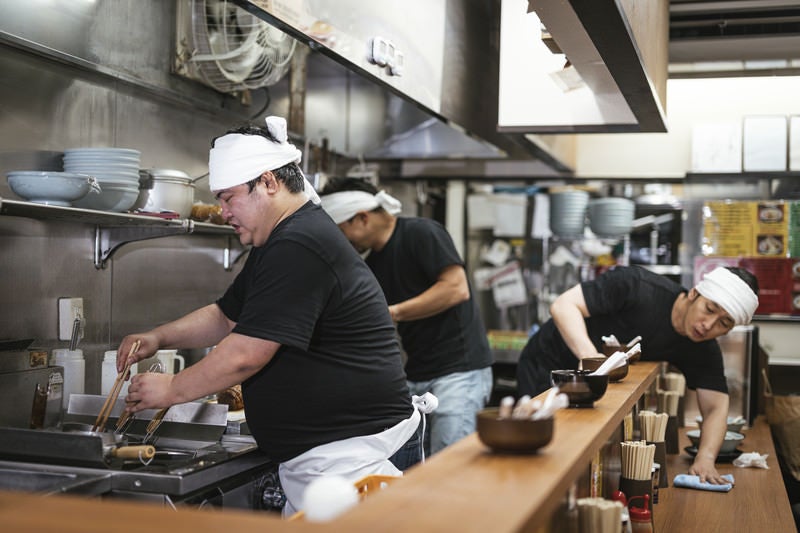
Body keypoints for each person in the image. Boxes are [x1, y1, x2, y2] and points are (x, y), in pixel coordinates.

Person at [116, 116, 424, 516]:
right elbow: (227, 317)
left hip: (355, 459)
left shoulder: (299, 242)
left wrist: (172, 388)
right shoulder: (280, 239)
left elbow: (246, 352)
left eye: (228, 197)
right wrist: (159, 337)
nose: (223, 211)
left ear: (268, 182)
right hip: (333, 459)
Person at [516, 264, 759, 485]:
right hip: (548, 366)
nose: (709, 325)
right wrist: (591, 358)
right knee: (536, 451)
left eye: (724, 323)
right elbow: (563, 305)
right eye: (709, 309)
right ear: (694, 293)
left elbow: (716, 406)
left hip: (594, 390)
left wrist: (706, 458)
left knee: (570, 454)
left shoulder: (701, 346)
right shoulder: (636, 285)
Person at [319, 177, 494, 456]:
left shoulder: (422, 232)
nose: (344, 242)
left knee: (451, 469)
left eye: (342, 232)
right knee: (419, 468)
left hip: (459, 373)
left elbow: (456, 288)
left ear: (362, 218)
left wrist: (394, 312)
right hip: (416, 375)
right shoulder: (371, 264)